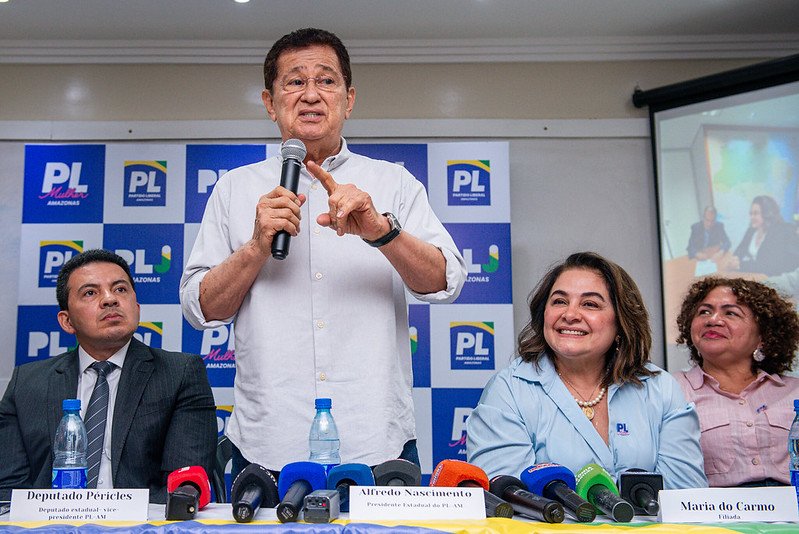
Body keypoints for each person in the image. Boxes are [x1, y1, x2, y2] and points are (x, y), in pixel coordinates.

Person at [180, 28, 466, 476]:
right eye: (295, 81)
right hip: (268, 443)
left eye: (326, 81)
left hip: (376, 440)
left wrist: (382, 232)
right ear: (270, 102)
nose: (311, 94)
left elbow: (445, 282)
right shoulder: (234, 188)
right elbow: (201, 310)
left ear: (348, 100)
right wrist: (255, 248)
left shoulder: (394, 183)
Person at [466, 252, 707, 489]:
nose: (570, 315)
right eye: (559, 301)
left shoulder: (661, 388)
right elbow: (508, 496)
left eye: (590, 304)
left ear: (622, 321)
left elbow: (686, 495)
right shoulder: (509, 390)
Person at [0, 249, 217, 503]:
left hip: (145, 522)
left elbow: (182, 487)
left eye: (120, 289)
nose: (110, 299)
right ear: (67, 321)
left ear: (137, 309)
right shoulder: (26, 384)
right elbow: (9, 489)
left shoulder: (179, 374)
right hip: (50, 521)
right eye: (90, 293)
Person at [674, 277, 799, 487]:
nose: (713, 320)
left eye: (730, 313)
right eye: (704, 311)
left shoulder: (794, 391)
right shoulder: (672, 391)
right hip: (712, 507)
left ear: (763, 336)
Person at [731, 195, 799, 276]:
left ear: (767, 213)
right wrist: (734, 260)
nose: (752, 217)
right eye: (751, 214)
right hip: (754, 275)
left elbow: (768, 265)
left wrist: (740, 265)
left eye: (756, 213)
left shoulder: (779, 232)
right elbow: (739, 252)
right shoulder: (751, 231)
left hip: (775, 279)